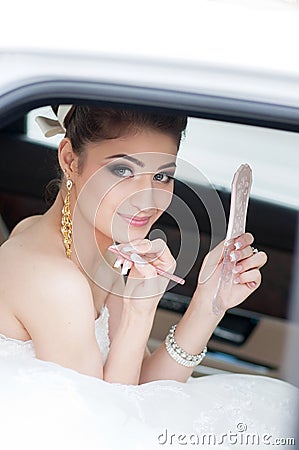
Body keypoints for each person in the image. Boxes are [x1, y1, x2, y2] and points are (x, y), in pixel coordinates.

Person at [0, 105, 297, 450]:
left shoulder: (96, 244)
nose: (148, 199)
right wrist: (139, 311)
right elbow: (105, 430)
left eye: (162, 176)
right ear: (69, 159)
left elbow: (140, 386)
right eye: (123, 170)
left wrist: (209, 304)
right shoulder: (54, 281)